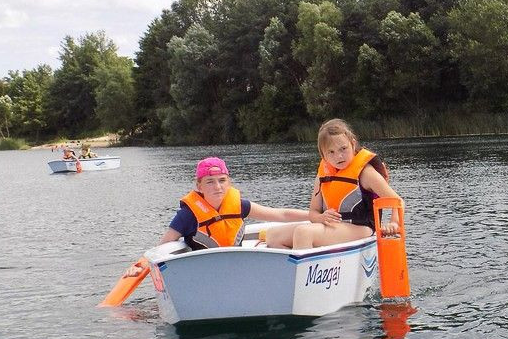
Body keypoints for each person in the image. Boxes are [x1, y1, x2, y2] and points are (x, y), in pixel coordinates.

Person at [121, 157, 310, 277]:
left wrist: (315, 216)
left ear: (229, 183)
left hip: (237, 270)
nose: (217, 187)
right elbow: (163, 245)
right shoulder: (187, 215)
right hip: (205, 274)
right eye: (210, 182)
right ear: (199, 186)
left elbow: (280, 214)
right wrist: (141, 265)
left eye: (222, 181)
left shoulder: (239, 206)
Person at [265, 118, 402, 249]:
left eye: (343, 149)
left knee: (304, 232)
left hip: (362, 228)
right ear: (323, 155)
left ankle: (304, 268)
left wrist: (394, 223)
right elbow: (313, 213)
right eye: (331, 152)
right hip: (333, 227)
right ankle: (301, 268)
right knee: (273, 236)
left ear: (353, 144)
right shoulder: (323, 175)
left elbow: (397, 201)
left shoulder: (366, 173)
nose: (339, 156)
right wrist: (321, 217)